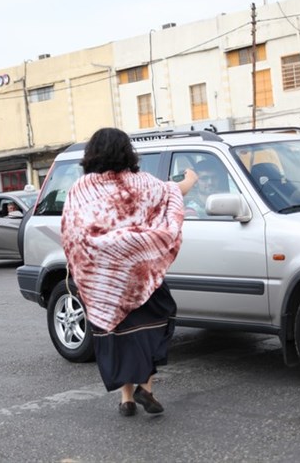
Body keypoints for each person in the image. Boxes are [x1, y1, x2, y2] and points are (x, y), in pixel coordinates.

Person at [60, 127, 198, 417]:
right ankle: (145, 390)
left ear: (92, 154)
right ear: (127, 152)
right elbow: (172, 193)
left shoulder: (81, 189)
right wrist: (190, 179)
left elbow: (72, 233)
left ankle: (126, 400)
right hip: (141, 279)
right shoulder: (143, 183)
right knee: (152, 329)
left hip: (105, 282)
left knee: (119, 335)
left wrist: (84, 268)